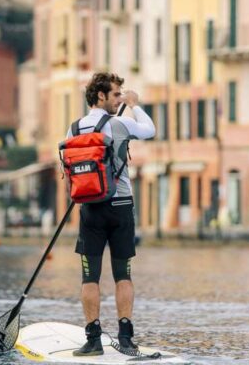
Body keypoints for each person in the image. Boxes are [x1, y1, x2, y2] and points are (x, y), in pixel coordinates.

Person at [67, 72, 155, 356]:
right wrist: (134, 104)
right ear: (101, 96)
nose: (120, 98)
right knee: (122, 275)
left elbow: (67, 170)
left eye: (121, 95)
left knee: (89, 278)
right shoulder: (119, 122)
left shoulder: (74, 129)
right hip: (120, 207)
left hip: (90, 207)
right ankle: (126, 338)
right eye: (116, 94)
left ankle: (93, 340)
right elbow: (149, 130)